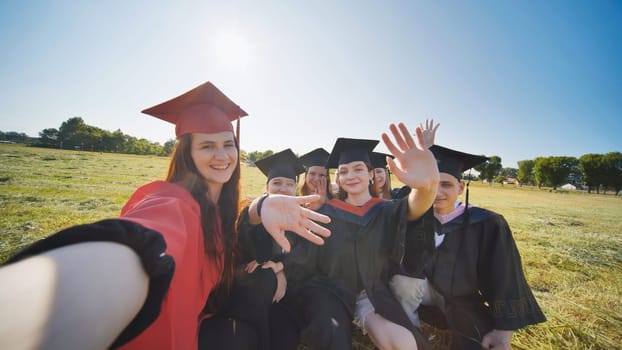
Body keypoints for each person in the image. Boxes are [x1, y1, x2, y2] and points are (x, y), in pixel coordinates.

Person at [0, 81, 331, 350]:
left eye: (228, 144)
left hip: (201, 319)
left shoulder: (221, 209)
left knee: (255, 306)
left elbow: (234, 230)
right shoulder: (173, 201)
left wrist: (260, 210)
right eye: (206, 146)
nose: (222, 155)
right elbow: (149, 233)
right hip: (168, 334)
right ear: (186, 153)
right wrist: (32, 306)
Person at [275, 122, 440, 350]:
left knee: (404, 344)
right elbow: (305, 252)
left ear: (371, 174)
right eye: (343, 172)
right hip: (329, 289)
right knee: (331, 334)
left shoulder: (386, 209)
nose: (350, 176)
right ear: (339, 179)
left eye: (358, 169)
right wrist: (282, 268)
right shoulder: (327, 211)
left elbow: (416, 207)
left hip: (370, 292)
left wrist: (427, 188)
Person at [391, 145, 546, 350]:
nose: (437, 192)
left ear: (461, 187)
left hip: (463, 301)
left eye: (445, 184)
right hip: (418, 296)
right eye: (431, 183)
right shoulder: (412, 215)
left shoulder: (487, 223)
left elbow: (504, 276)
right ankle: (410, 332)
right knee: (403, 280)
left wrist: (503, 332)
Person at [199, 148, 306, 350]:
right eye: (277, 183)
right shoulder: (251, 212)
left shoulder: (302, 218)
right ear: (266, 187)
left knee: (285, 338)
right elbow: (244, 234)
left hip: (283, 298)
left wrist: (281, 268)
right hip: (247, 296)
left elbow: (304, 257)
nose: (283, 189)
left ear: (296, 189)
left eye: (289, 184)